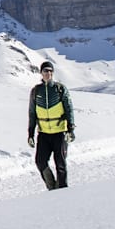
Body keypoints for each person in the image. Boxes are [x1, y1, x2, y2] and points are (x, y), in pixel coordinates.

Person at [26, 60, 74, 190]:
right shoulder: (36, 91)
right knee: (40, 162)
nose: (48, 73)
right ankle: (52, 187)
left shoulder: (60, 89)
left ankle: (63, 189)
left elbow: (68, 108)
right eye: (45, 71)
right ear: (41, 73)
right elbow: (32, 113)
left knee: (60, 164)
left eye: (50, 71)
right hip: (44, 133)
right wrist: (30, 133)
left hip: (60, 132)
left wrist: (71, 128)